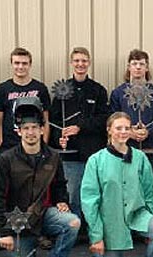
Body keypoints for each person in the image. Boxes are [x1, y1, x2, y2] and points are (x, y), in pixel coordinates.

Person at [0, 97, 81, 257]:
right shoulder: (6, 160)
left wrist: (62, 200)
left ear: (42, 129)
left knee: (72, 222)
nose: (30, 132)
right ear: (19, 131)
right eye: (26, 128)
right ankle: (23, 245)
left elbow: (59, 185)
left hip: (43, 215)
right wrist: (4, 232)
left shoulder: (53, 157)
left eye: (34, 127)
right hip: (17, 221)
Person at [81, 112, 153, 257]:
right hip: (110, 221)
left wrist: (151, 220)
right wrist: (96, 236)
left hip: (137, 214)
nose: (123, 132)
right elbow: (90, 202)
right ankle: (97, 254)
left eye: (126, 128)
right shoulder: (96, 161)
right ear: (109, 130)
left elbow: (149, 192)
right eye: (118, 128)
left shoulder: (140, 158)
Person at [48, 47, 110, 220]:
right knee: (72, 195)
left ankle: (93, 231)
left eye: (84, 60)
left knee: (94, 195)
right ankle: (74, 232)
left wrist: (80, 126)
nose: (80, 64)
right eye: (77, 60)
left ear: (89, 63)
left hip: (93, 153)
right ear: (71, 63)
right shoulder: (62, 90)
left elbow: (104, 119)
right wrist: (58, 138)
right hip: (70, 156)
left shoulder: (98, 90)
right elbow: (53, 121)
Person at [109, 49, 153, 173]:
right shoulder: (118, 93)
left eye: (141, 64)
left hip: (150, 151)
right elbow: (111, 120)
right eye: (134, 64)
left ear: (146, 68)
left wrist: (148, 132)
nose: (138, 67)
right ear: (128, 67)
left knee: (148, 189)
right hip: (124, 150)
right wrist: (129, 132)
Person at [0, 47, 52, 153]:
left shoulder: (40, 88)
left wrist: (44, 145)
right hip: (9, 146)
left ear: (30, 65)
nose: (20, 67)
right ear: (11, 64)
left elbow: (46, 120)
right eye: (17, 63)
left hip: (35, 145)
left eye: (24, 63)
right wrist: (0, 145)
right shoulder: (2, 89)